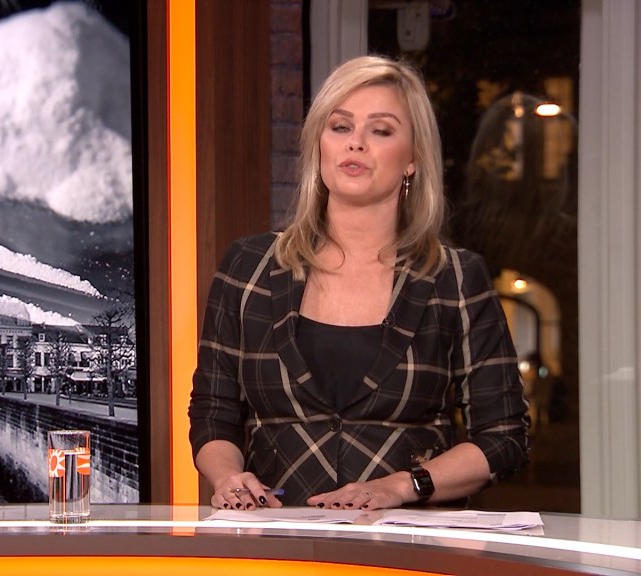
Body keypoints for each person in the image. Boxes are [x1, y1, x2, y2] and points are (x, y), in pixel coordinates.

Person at [188, 55, 530, 512]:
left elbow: (503, 437)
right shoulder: (248, 267)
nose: (356, 143)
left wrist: (400, 487)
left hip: (408, 542)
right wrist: (229, 477)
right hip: (279, 536)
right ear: (319, 145)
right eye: (340, 127)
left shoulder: (455, 278)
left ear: (412, 159)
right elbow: (213, 413)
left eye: (381, 131)